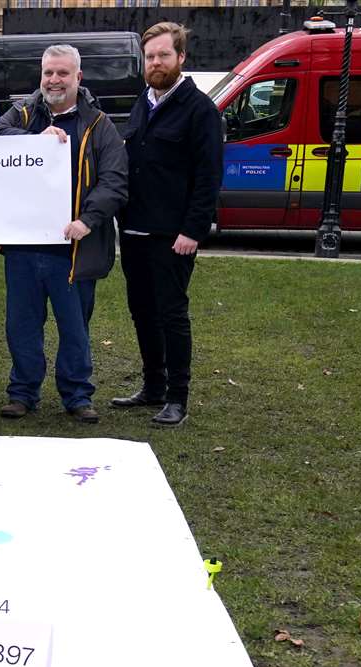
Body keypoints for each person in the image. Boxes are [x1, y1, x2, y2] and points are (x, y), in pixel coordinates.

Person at [0, 45, 126, 424]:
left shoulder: (98, 124)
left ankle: (77, 396)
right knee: (21, 325)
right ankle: (22, 393)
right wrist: (31, 137)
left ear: (78, 78)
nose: (54, 80)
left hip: (73, 248)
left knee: (74, 329)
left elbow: (115, 180)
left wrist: (88, 219)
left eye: (62, 73)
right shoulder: (25, 113)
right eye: (48, 73)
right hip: (24, 247)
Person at [109, 22, 223, 428]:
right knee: (142, 311)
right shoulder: (144, 102)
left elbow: (209, 177)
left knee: (171, 314)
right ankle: (152, 386)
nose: (155, 63)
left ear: (181, 58)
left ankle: (178, 396)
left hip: (173, 236)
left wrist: (193, 230)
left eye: (163, 55)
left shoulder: (200, 110)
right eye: (150, 56)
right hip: (136, 230)